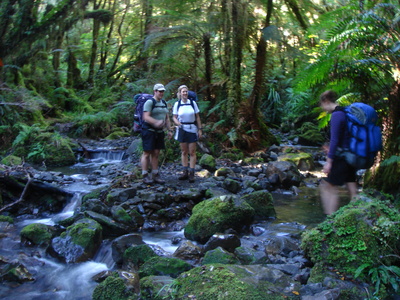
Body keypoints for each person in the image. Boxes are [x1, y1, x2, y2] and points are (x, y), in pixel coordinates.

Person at [319, 90, 358, 214]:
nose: (322, 108)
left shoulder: (336, 115)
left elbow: (335, 139)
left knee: (327, 187)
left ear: (326, 101)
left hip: (341, 157)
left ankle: (329, 220)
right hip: (352, 155)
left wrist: (329, 162)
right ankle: (357, 217)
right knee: (352, 187)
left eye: (322, 105)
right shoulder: (346, 112)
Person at [141, 83, 173, 184]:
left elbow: (167, 118)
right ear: (155, 91)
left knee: (156, 153)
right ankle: (145, 175)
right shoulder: (149, 102)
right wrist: (156, 122)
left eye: (163, 91)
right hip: (149, 131)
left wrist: (170, 130)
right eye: (159, 91)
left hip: (159, 132)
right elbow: (145, 117)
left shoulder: (164, 102)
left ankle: (155, 174)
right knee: (147, 153)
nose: (161, 93)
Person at [172, 85, 203, 183]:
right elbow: (174, 117)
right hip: (182, 129)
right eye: (183, 91)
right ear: (180, 93)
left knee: (192, 152)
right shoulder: (177, 104)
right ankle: (185, 171)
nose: (185, 93)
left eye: (186, 91)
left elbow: (197, 117)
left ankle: (192, 173)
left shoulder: (193, 103)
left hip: (192, 129)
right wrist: (178, 123)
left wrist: (200, 129)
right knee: (184, 151)